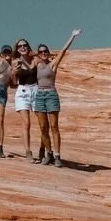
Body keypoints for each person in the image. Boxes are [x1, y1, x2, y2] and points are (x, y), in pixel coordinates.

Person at [33, 29, 81, 167]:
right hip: (39, 96)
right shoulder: (37, 65)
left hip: (51, 95)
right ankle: (49, 154)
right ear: (38, 53)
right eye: (41, 51)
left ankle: (58, 156)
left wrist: (72, 36)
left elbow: (63, 50)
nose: (43, 53)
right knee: (43, 128)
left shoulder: (52, 64)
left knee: (54, 126)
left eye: (45, 51)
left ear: (48, 52)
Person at [12, 38, 39, 160]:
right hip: (22, 91)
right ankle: (28, 152)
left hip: (36, 90)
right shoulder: (15, 62)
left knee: (43, 123)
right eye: (19, 46)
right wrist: (13, 73)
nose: (22, 47)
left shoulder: (35, 59)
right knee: (26, 123)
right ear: (17, 49)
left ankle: (44, 150)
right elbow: (13, 84)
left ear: (28, 47)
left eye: (24, 45)